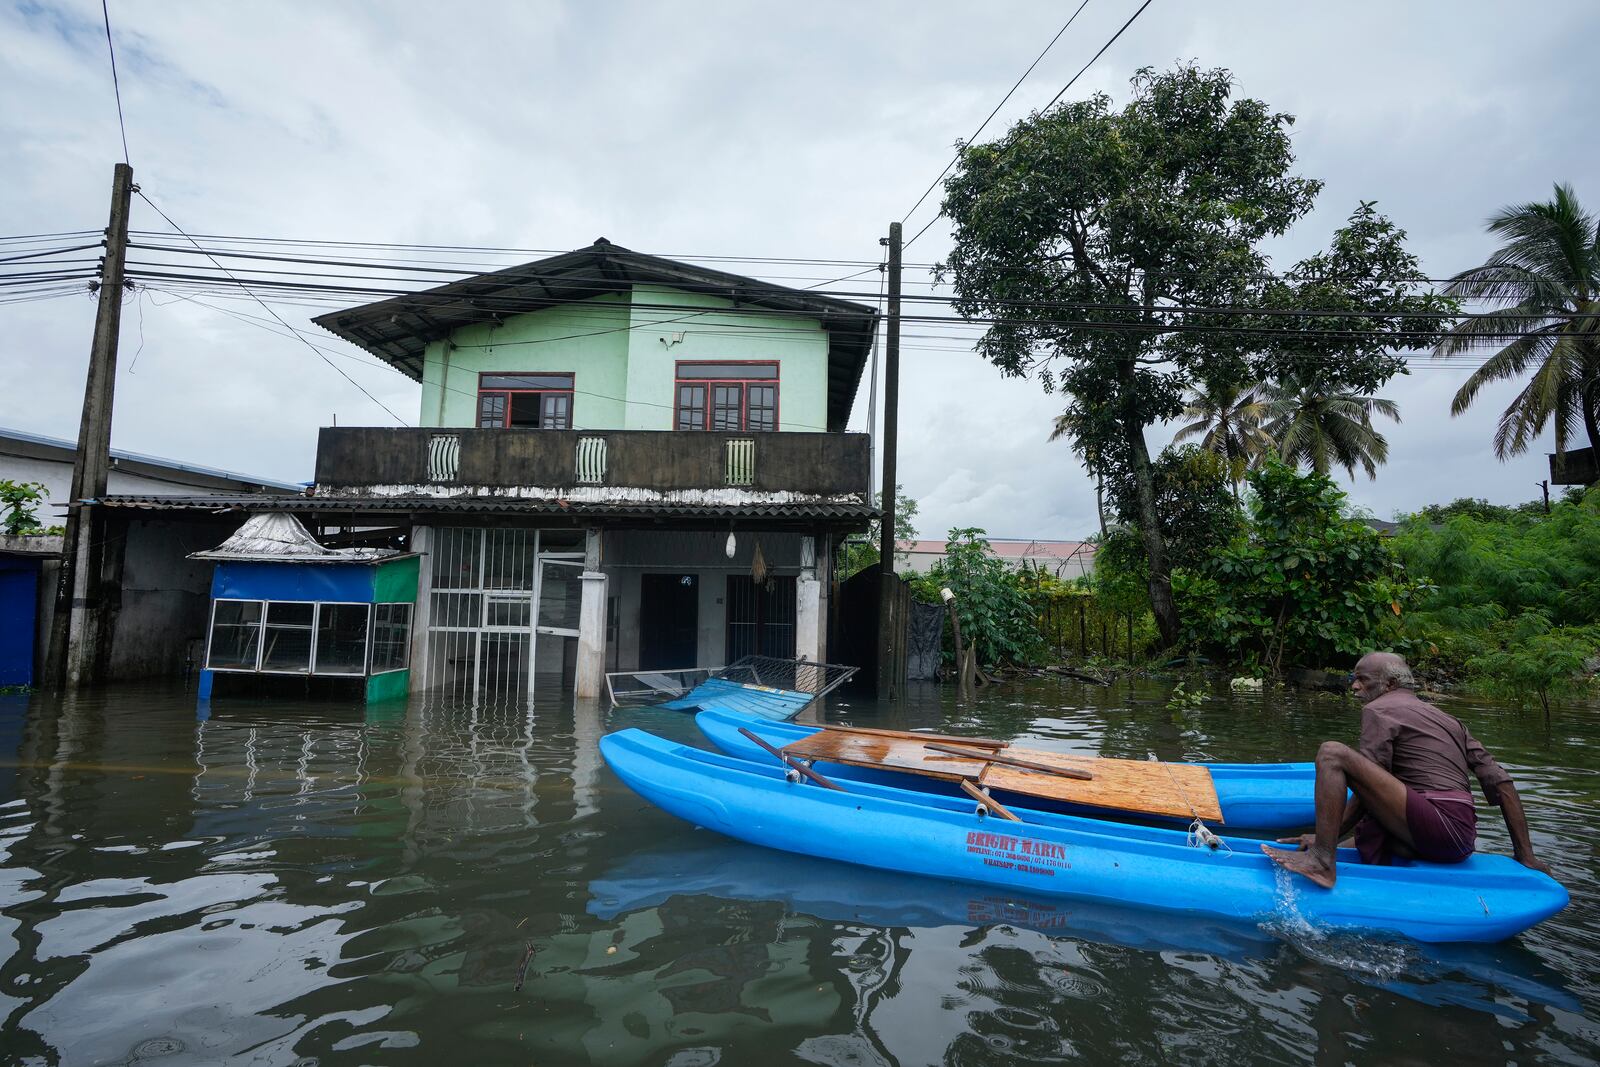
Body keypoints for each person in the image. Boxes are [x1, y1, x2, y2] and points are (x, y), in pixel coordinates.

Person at [1262, 651, 1552, 889]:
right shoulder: (1449, 720)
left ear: (1388, 685)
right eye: (1354, 679)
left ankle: (1322, 863)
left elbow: (1366, 788)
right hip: (1460, 839)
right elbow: (1503, 784)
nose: (1354, 686)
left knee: (1332, 753)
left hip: (1437, 827)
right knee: (1363, 833)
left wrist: (1326, 842)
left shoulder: (1378, 710)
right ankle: (1330, 851)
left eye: (1363, 680)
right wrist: (1526, 856)